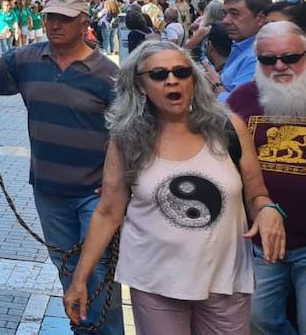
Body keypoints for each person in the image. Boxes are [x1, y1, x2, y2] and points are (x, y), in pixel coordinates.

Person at [66, 41, 282, 333]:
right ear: (140, 85)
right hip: (156, 282)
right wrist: (80, 278)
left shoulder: (228, 127)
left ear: (192, 79)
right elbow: (108, 212)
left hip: (226, 281)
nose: (172, 80)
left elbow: (256, 194)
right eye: (158, 74)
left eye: (181, 72)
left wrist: (268, 210)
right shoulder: (127, 138)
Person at [0, 0, 123, 335]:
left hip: (95, 193)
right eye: (51, 17)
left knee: (97, 272)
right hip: (49, 190)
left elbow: (128, 136)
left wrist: (116, 186)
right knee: (68, 268)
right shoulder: (27, 59)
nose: (54, 24)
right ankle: (83, 330)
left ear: (84, 24)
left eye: (64, 18)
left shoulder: (109, 75)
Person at [227, 21, 306, 333]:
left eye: (290, 57)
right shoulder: (240, 101)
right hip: (260, 244)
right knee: (259, 322)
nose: (280, 66)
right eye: (268, 59)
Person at [219, 0, 273, 100]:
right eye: (225, 13)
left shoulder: (258, 56)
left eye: (235, 14)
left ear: (261, 18)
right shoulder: (241, 45)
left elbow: (239, 106)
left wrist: (215, 85)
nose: (226, 21)